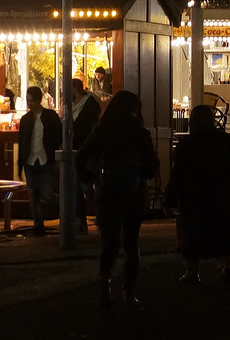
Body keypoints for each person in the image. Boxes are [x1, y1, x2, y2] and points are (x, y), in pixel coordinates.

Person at [76, 91, 158, 309]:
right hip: (134, 194)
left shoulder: (102, 130)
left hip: (107, 194)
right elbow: (153, 167)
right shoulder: (138, 132)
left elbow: (80, 157)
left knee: (109, 243)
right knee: (131, 244)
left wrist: (92, 182)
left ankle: (105, 282)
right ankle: (129, 293)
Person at [166, 105, 230, 283]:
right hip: (221, 195)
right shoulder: (225, 142)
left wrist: (170, 198)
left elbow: (178, 173)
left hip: (194, 197)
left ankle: (192, 272)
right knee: (222, 234)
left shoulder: (186, 145)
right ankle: (226, 268)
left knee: (193, 235)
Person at [16, 85, 62, 237]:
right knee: (33, 193)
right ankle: (38, 225)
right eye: (28, 101)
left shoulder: (50, 117)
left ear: (39, 100)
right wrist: (20, 163)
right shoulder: (26, 120)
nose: (30, 104)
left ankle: (66, 207)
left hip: (45, 159)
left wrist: (56, 158)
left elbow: (57, 137)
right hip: (31, 159)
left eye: (32, 101)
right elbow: (22, 141)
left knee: (46, 193)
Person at [69, 77, 100, 232]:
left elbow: (94, 126)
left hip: (88, 151)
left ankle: (100, 212)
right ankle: (80, 221)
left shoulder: (90, 105)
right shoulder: (69, 106)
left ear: (75, 89)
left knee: (85, 185)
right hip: (75, 150)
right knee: (77, 187)